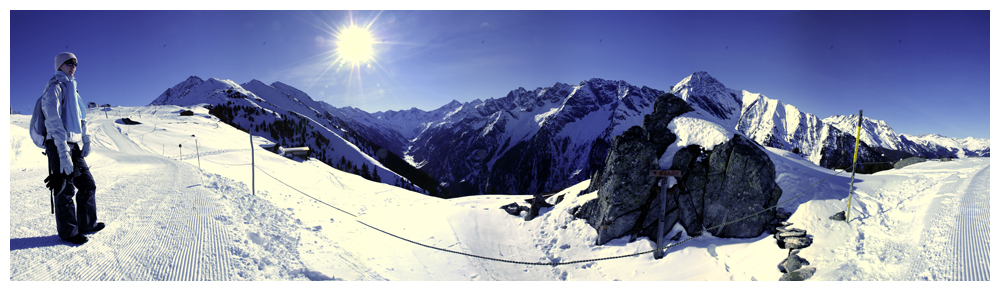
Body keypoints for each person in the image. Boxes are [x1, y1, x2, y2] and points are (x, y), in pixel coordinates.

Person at [42, 52, 104, 245]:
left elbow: (81, 118)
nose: (73, 66)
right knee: (65, 189)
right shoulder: (55, 88)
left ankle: (86, 223)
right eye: (69, 62)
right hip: (57, 143)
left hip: (72, 144)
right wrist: (62, 152)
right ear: (59, 65)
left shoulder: (73, 90)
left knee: (87, 184)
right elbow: (53, 121)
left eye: (76, 63)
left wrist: (86, 140)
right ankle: (69, 232)